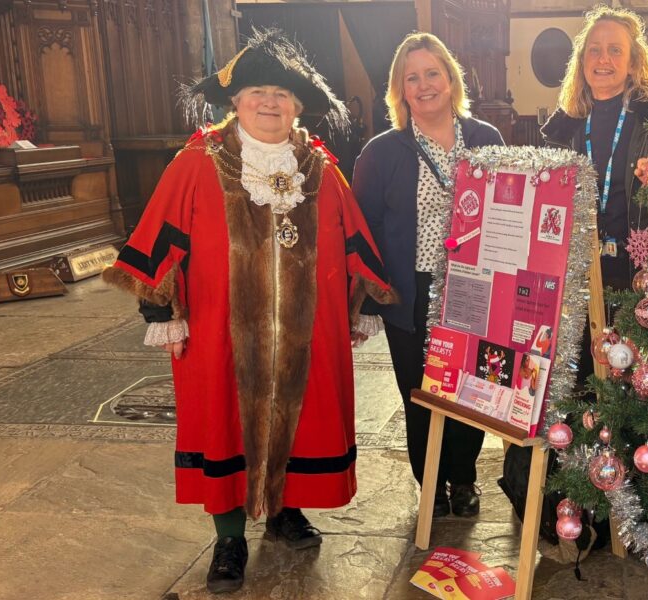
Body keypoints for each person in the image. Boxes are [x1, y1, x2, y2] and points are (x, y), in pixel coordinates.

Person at [102, 31, 396, 594]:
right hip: (219, 333)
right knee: (223, 426)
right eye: (257, 91)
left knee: (306, 418)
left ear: (298, 106)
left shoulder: (320, 168)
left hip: (307, 334)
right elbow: (159, 236)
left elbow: (354, 238)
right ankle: (230, 536)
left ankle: (284, 510)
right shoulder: (197, 162)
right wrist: (162, 312)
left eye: (282, 94)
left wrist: (361, 304)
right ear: (234, 101)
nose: (270, 102)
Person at [351, 32, 504, 520]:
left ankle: (463, 479)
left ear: (451, 79)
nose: (423, 85)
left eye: (432, 73)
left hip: (475, 288)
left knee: (471, 391)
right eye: (411, 77)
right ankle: (431, 484)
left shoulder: (486, 139)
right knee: (419, 393)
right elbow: (362, 230)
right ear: (400, 90)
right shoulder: (381, 152)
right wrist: (371, 299)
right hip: (411, 292)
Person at [541, 5, 648, 292]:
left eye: (615, 50)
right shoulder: (563, 128)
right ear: (582, 60)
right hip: (578, 274)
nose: (603, 59)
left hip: (641, 271)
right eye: (594, 49)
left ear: (633, 63)